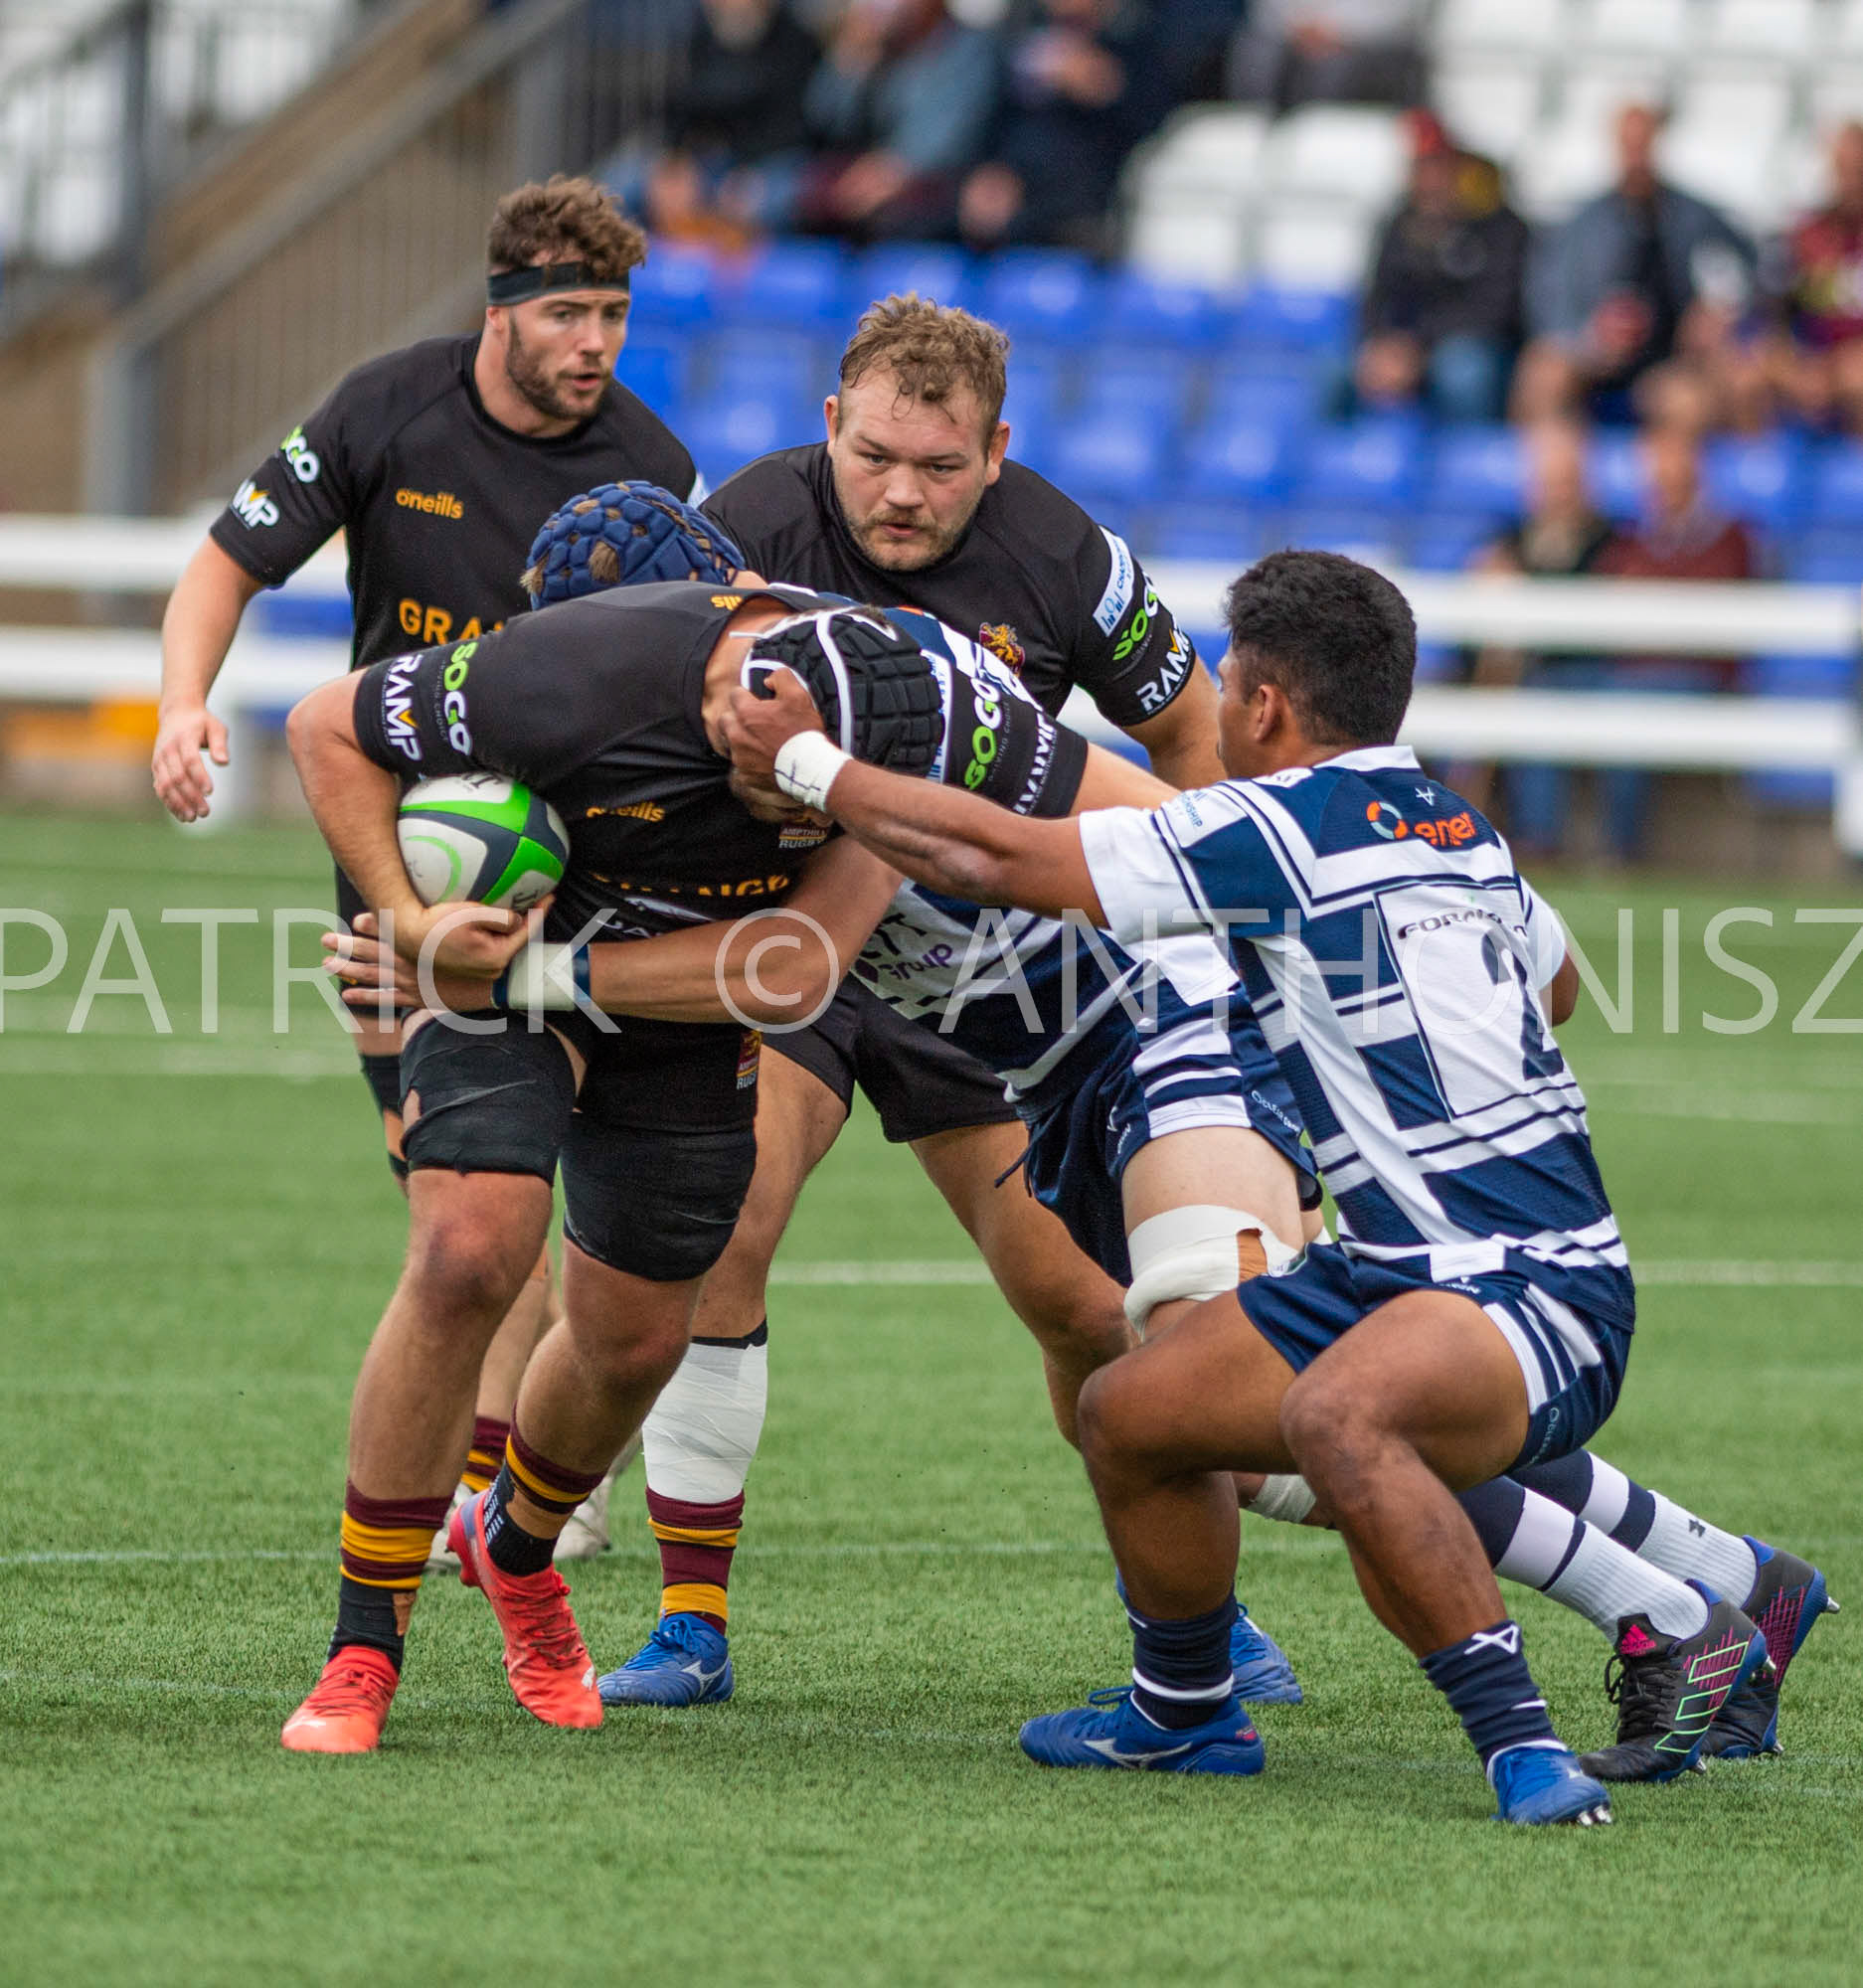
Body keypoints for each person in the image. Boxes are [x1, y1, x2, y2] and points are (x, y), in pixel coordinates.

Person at [327, 495, 1834, 1776]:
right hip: (1057, 1084)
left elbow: (814, 952)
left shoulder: (843, 704)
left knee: (1247, 1396)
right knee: (1202, 1396)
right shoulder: (645, 768)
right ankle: (1722, 1576)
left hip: (1170, 1026)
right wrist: (431, 937)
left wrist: (508, 968)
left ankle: (1663, 1617)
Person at [721, 548, 1776, 1823]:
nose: (1210, 706)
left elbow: (998, 857)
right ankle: (1180, 1712)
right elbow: (1552, 986)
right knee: (1129, 1412)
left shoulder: (1267, 827)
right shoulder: (1455, 822)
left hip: (1520, 1284)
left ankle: (1550, 1728)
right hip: (1399, 1266)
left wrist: (807, 762)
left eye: (1225, 684)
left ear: (1265, 705)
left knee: (1340, 1420)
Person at [592, 294, 1225, 1707]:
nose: (900, 492)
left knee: (1086, 1309)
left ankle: (1194, 1609)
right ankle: (690, 1623)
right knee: (725, 1233)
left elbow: (1191, 734)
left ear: (994, 450)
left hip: (989, 971)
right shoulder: (741, 529)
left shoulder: (1067, 554)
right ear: (830, 424)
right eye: (873, 456)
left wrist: (1207, 925)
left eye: (940, 467)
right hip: (791, 945)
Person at [276, 577, 1018, 1752]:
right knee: (468, 1250)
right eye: (782, 770)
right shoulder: (576, 670)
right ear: (736, 697)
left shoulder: (909, 725)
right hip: (500, 969)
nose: (801, 799)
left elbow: (794, 963)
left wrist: (508, 973)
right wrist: (412, 922)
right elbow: (325, 722)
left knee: (634, 1340)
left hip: (678, 1001)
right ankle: (362, 1647)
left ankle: (515, 1548)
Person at [150, 176, 695, 1556]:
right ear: (498, 311)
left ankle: (513, 1480)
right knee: (440, 1172)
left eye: (613, 314)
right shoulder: (384, 407)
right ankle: (508, 1468)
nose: (594, 342)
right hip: (400, 848)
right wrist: (181, 703)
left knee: (524, 1178)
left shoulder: (651, 462)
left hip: (575, 856)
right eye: (566, 313)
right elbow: (226, 563)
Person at [1515, 421, 1755, 864]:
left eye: (1671, 466)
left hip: (1690, 674)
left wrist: (1654, 599)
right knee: (1545, 693)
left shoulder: (1729, 536)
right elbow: (1607, 590)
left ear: (1695, 470)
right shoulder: (1633, 536)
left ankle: (1620, 851)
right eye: (1654, 469)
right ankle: (1540, 839)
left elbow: (1709, 609)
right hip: (1623, 668)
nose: (1661, 478)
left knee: (1626, 705)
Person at [1514, 103, 1756, 425]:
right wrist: (1592, 339)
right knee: (1544, 375)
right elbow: (1547, 302)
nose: (1636, 156)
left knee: (1691, 400)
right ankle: (1555, 455)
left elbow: (1744, 271)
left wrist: (1717, 312)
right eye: (1629, 144)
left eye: (1643, 143)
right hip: (1592, 358)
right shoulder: (1581, 225)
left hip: (1669, 360)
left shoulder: (1696, 218)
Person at [957, 0, 1178, 255]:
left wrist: (1106, 89)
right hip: (1007, 200)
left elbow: (1153, 124)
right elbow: (989, 120)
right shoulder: (1018, 39)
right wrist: (987, 172)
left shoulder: (1134, 45)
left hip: (1082, 211)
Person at [1353, 112, 1528, 425]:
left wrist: (1419, 347)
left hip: (1471, 344)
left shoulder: (1499, 225)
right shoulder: (1399, 223)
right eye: (1420, 166)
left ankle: (1471, 454)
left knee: (1463, 371)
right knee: (1334, 369)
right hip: (1405, 345)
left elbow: (1496, 309)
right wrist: (1382, 343)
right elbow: (1376, 296)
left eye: (1438, 165)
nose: (1429, 178)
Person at [793, 0, 999, 241]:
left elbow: (947, 141)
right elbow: (823, 120)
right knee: (788, 191)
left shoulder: (969, 48)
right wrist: (848, 62)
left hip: (934, 190)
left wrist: (891, 173)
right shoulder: (874, 45)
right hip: (855, 180)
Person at [637, 0, 823, 248]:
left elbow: (792, 129)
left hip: (776, 161)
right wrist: (674, 159)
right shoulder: (705, 35)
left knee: (759, 202)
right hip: (716, 158)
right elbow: (684, 106)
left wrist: (744, 176)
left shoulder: (797, 41)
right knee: (629, 182)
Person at [1766, 121, 1863, 435]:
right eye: (1843, 170)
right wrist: (1792, 362)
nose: (1851, 183)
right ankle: (1759, 464)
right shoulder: (1806, 236)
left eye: (1858, 171)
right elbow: (1776, 314)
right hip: (1815, 357)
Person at [1226, 0, 1426, 111]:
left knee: (1332, 70)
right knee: (1256, 55)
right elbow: (1268, 11)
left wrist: (1340, 31)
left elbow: (1403, 14)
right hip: (1296, 35)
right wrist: (1298, 25)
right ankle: (1251, 134)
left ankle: (1323, 149)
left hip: (1369, 44)